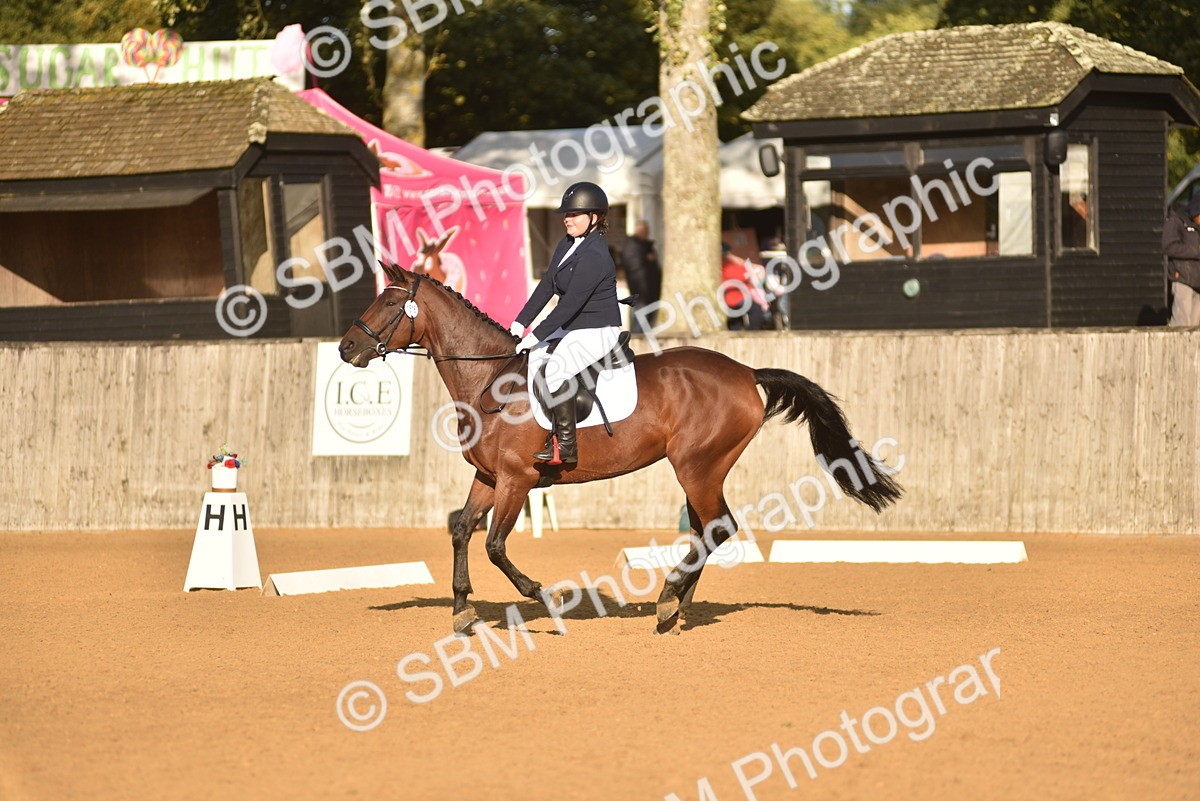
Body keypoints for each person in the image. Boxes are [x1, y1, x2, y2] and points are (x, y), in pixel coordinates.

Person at [510, 182, 622, 465]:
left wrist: (535, 335)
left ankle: (566, 447)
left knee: (555, 372)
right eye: (566, 214)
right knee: (534, 360)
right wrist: (520, 322)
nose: (566, 219)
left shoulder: (596, 256)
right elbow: (548, 284)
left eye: (574, 214)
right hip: (574, 324)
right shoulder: (568, 244)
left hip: (597, 329)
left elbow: (569, 304)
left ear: (595, 217)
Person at [1164, 195, 1200, 327]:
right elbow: (1168, 246)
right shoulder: (1176, 220)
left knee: (1195, 325)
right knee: (1181, 322)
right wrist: (1196, 250)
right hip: (1182, 277)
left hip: (1198, 281)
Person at [621, 220, 661, 332]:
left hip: (648, 289)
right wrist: (647, 258)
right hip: (640, 289)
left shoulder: (645, 246)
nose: (646, 233)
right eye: (644, 231)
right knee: (639, 318)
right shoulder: (632, 246)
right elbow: (635, 268)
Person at [721, 242, 770, 330]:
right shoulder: (728, 266)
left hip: (734, 297)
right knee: (755, 309)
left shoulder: (729, 265)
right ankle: (753, 331)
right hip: (735, 297)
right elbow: (743, 275)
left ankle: (737, 330)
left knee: (737, 318)